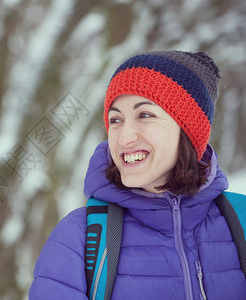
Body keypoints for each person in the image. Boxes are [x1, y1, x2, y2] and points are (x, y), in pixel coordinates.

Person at [29, 50, 246, 299]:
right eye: (116, 119)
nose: (124, 137)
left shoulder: (241, 221)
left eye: (145, 115)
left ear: (189, 130)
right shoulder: (78, 239)